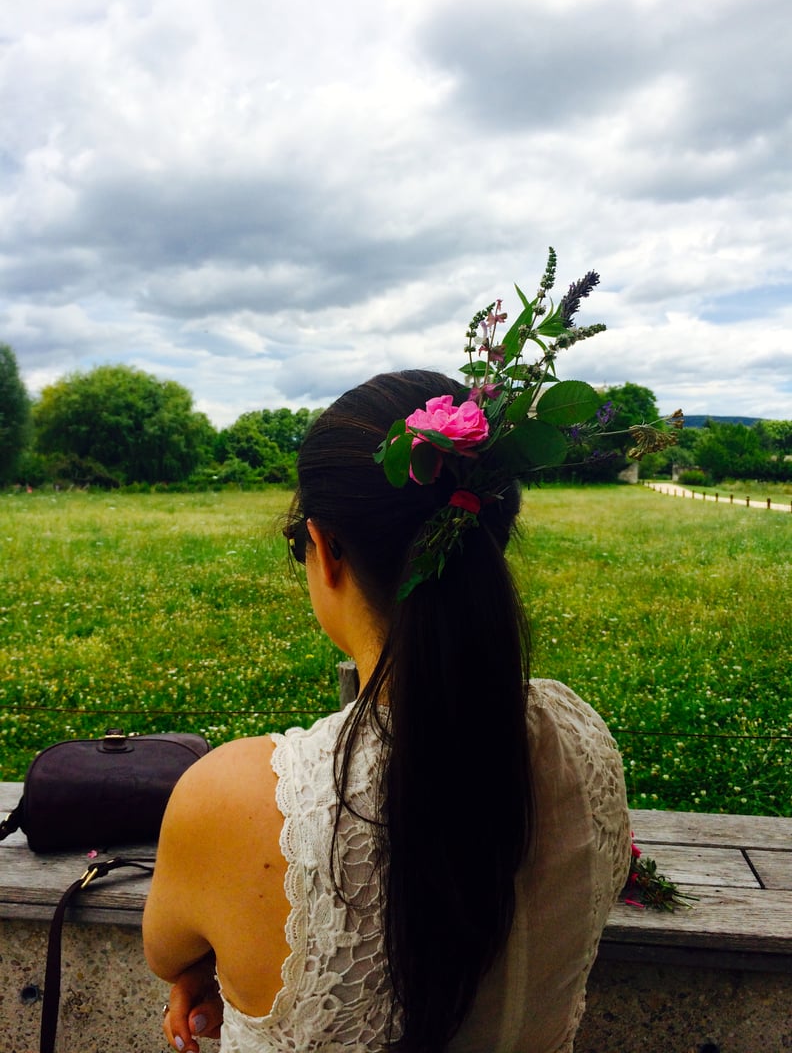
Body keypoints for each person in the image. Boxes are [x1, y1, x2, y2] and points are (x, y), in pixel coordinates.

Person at [143, 368, 631, 1053]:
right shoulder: (582, 741)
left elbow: (167, 952)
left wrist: (226, 956)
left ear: (325, 549)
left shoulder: (235, 799)